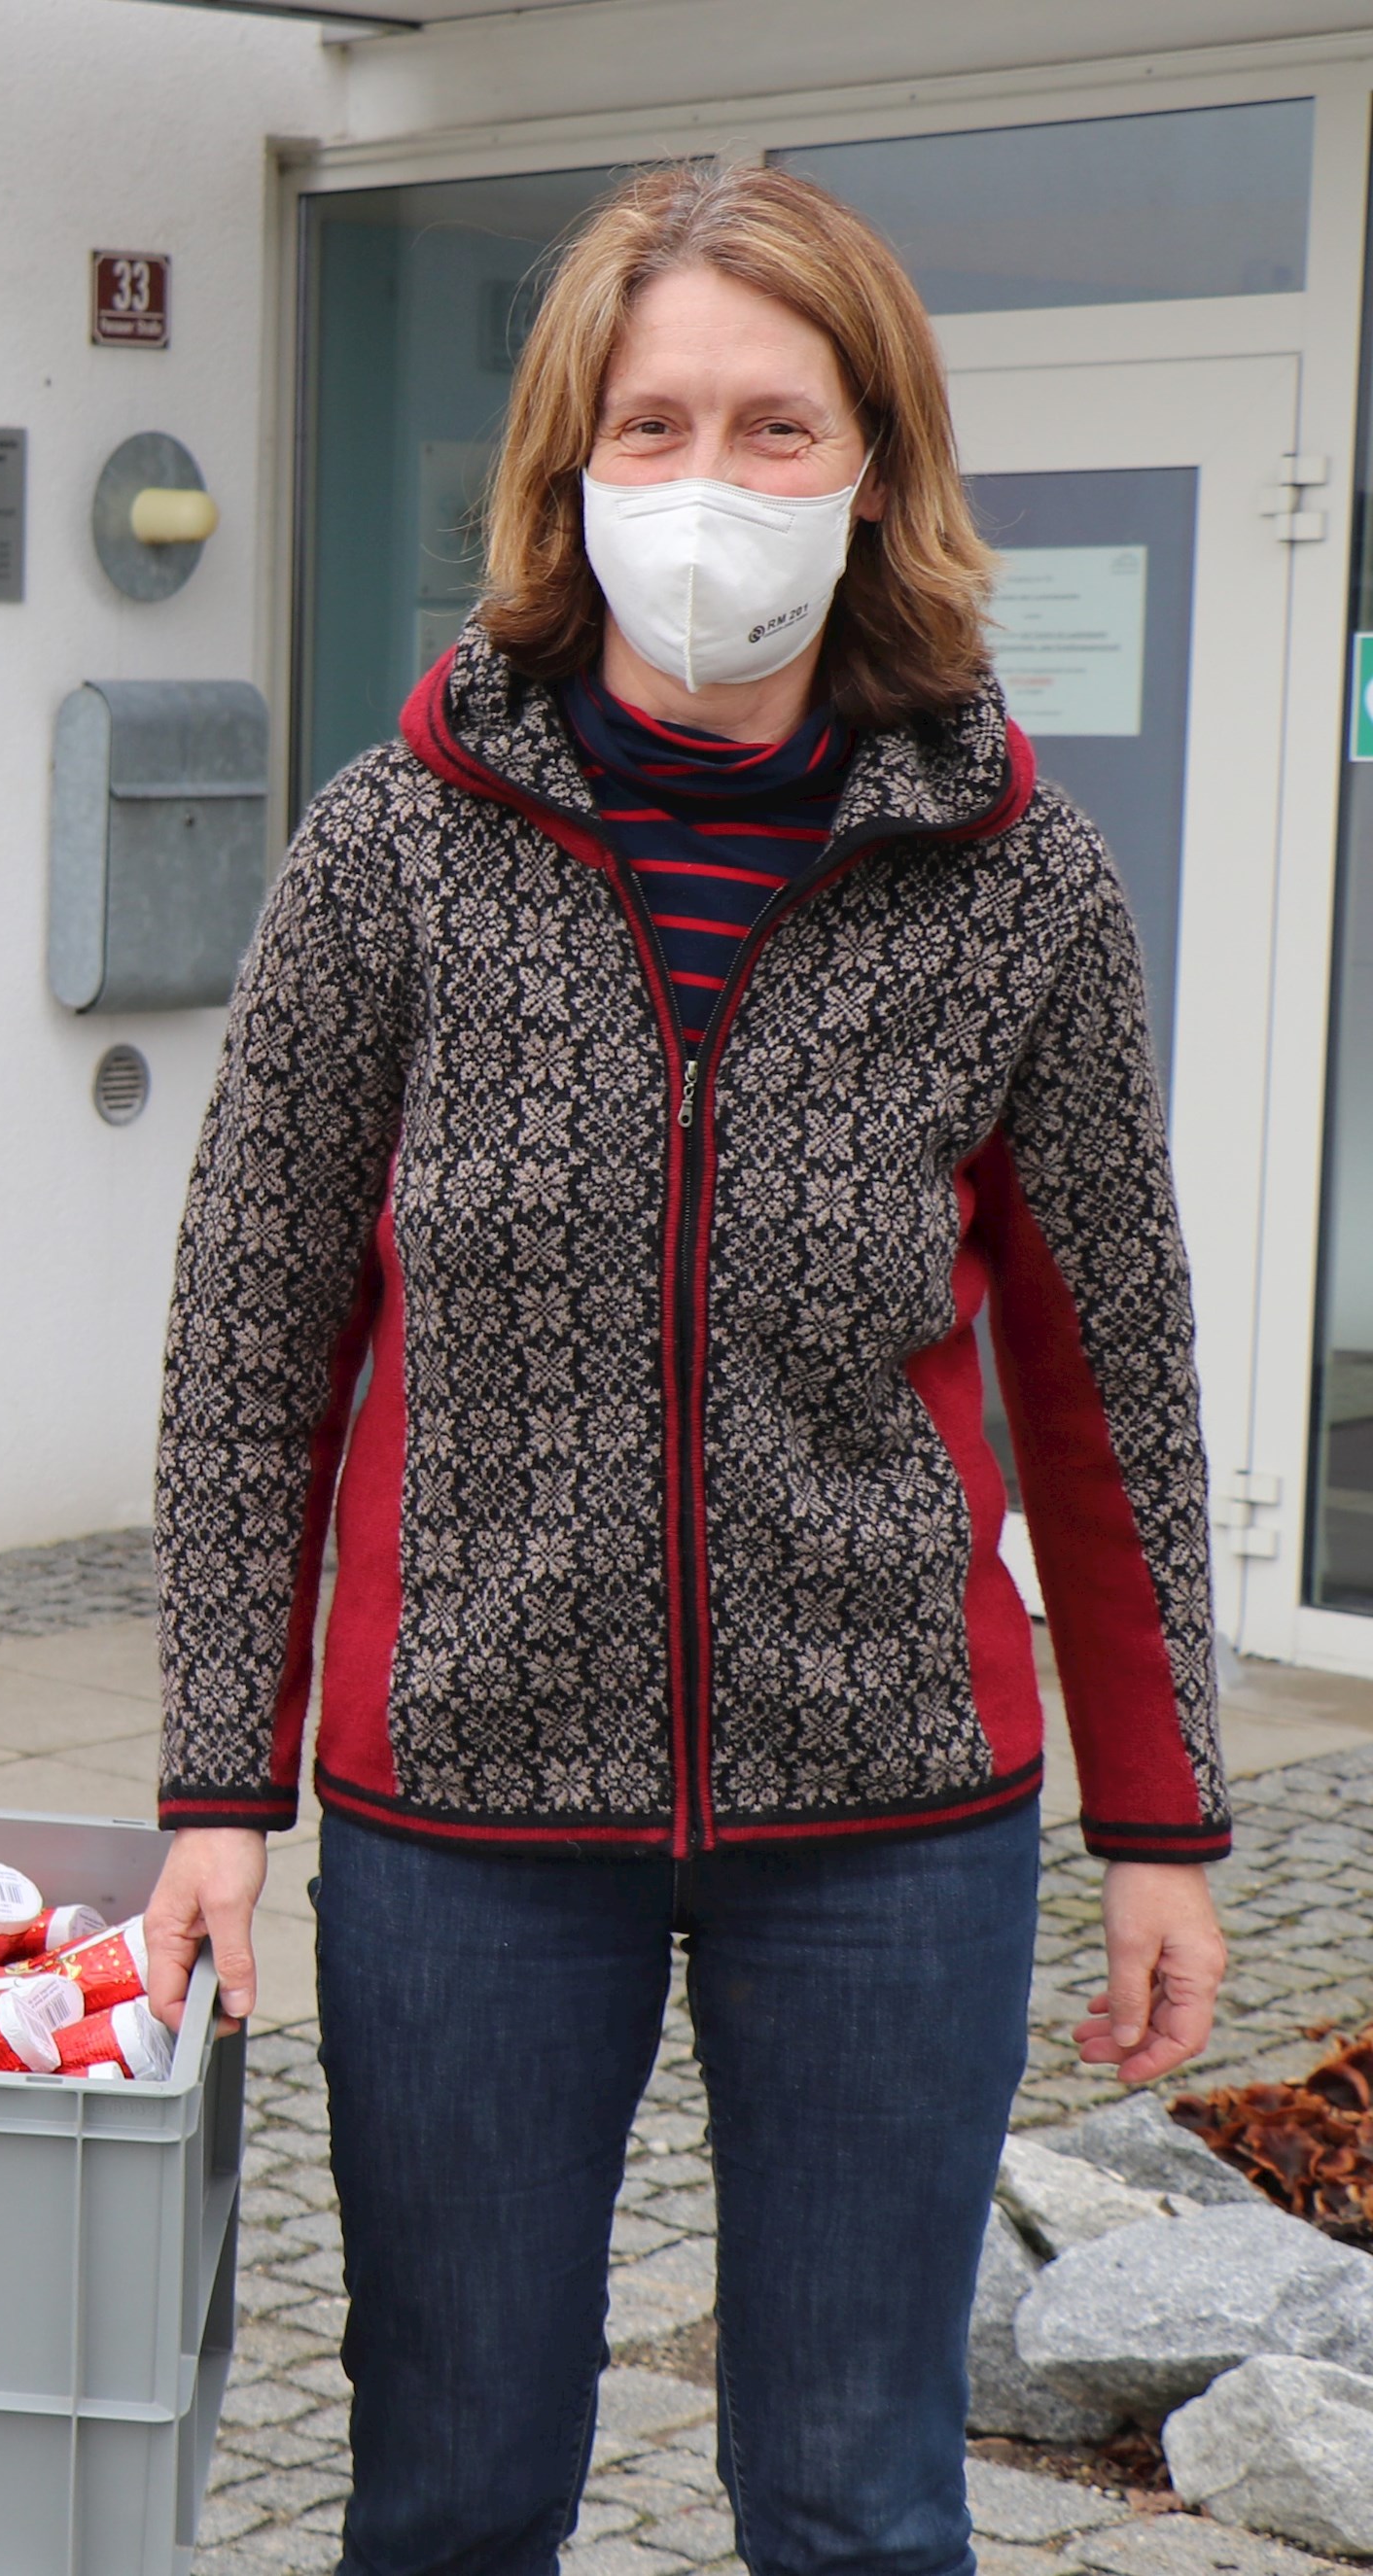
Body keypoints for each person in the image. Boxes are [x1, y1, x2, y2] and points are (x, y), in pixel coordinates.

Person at [140, 161, 1231, 2576]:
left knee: (852, 2496)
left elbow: (1105, 1368)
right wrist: (217, 1782)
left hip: (886, 1820)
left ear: (872, 468)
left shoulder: (1016, 873)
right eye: (649, 427)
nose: (706, 487)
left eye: (769, 425)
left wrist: (1156, 1819)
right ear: (565, 473)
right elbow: (247, 1343)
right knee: (449, 2485)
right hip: (456, 1812)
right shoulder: (388, 849)